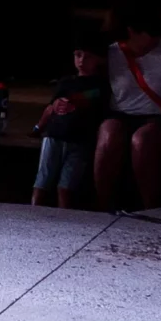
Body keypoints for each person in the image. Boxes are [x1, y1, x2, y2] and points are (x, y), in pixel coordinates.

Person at [95, 10, 161, 209]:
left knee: (142, 139)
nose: (153, 40)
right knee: (109, 133)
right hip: (122, 114)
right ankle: (104, 206)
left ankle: (150, 207)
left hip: (160, 118)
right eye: (148, 35)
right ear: (131, 31)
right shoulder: (112, 52)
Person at [30, 47, 109, 208]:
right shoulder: (66, 82)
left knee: (66, 189)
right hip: (54, 136)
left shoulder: (101, 85)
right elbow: (51, 108)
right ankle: (33, 218)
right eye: (78, 55)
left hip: (80, 141)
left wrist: (73, 101)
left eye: (88, 57)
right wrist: (38, 127)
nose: (81, 61)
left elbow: (93, 96)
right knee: (42, 184)